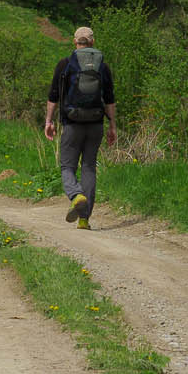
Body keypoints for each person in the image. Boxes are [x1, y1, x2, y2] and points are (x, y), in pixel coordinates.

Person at [44, 24, 117, 228]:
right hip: (96, 124)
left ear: (75, 42)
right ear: (93, 42)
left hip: (72, 123)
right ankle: (84, 219)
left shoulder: (65, 64)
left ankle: (76, 196)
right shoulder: (103, 66)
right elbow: (110, 99)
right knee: (89, 167)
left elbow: (53, 96)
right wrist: (112, 125)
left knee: (67, 166)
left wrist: (49, 121)